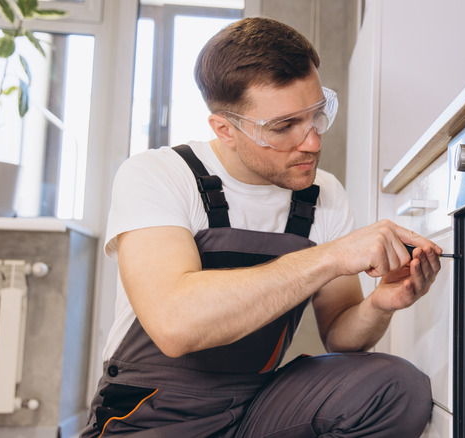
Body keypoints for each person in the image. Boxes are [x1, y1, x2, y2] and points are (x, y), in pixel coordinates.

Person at [81, 15, 443, 438]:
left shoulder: (324, 194)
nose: (312, 142)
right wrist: (331, 257)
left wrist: (380, 304)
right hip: (148, 414)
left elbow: (341, 336)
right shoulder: (159, 174)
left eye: (317, 115)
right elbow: (176, 325)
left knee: (397, 387)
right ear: (225, 129)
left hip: (253, 407)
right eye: (284, 127)